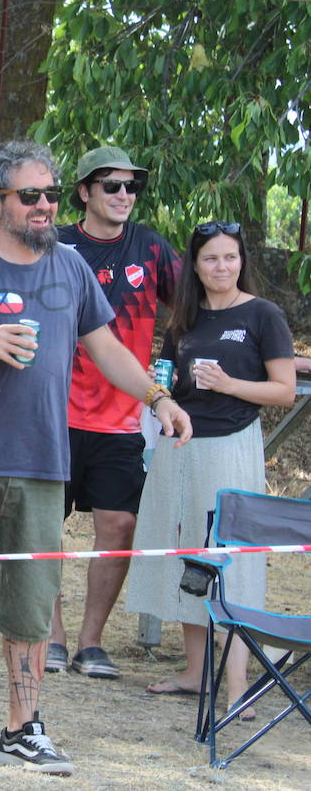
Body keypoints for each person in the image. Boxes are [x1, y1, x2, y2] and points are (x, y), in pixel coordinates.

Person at [0, 140, 191, 778]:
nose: (45, 206)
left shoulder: (70, 267)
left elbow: (108, 348)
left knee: (32, 606)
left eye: (52, 195)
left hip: (42, 465)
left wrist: (157, 396)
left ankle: (22, 727)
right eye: (30, 195)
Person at [126, 220, 294, 715]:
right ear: (194, 268)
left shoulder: (264, 315)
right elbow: (165, 378)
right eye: (210, 259)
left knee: (231, 558)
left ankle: (237, 681)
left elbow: (283, 391)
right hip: (182, 447)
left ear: (242, 261)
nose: (222, 267)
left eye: (230, 257)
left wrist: (227, 384)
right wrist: (163, 392)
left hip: (232, 447)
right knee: (188, 555)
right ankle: (196, 672)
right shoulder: (185, 320)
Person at [46, 146, 182, 678]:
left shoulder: (149, 247)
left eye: (132, 187)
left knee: (119, 524)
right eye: (111, 185)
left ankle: (91, 642)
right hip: (52, 413)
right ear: (84, 192)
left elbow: (196, 303)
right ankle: (50, 635)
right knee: (40, 529)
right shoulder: (56, 244)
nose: (124, 195)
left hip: (123, 416)